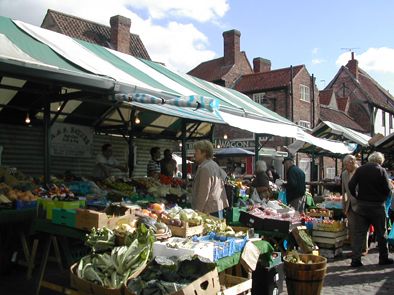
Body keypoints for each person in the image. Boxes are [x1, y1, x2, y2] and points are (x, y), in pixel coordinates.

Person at [348, 152, 393, 267]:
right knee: (381, 233)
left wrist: (357, 196)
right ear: (380, 161)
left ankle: (355, 260)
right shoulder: (381, 171)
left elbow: (351, 185)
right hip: (377, 206)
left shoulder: (360, 170)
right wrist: (382, 198)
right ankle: (383, 258)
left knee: (359, 234)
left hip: (362, 206)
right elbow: (388, 189)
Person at [191, 140, 229, 218]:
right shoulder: (213, 164)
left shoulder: (205, 168)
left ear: (204, 153)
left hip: (209, 210)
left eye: (196, 151)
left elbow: (203, 193)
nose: (194, 154)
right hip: (217, 206)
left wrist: (197, 212)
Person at [341, 154, 368, 256]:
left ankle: (363, 249)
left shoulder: (361, 171)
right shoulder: (344, 174)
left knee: (362, 227)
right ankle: (354, 249)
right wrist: (344, 205)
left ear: (353, 163)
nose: (346, 166)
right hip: (350, 204)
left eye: (347, 164)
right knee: (352, 227)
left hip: (361, 204)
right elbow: (343, 191)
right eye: (345, 164)